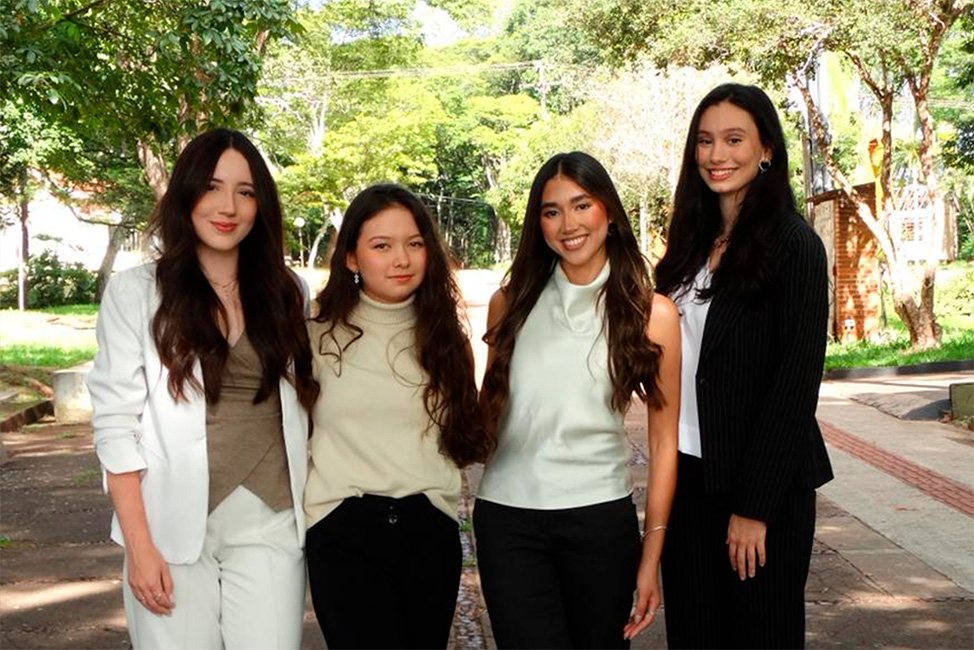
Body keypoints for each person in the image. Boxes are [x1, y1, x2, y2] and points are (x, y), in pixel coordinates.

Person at [87, 128, 319, 649]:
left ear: (261, 204)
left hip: (270, 518)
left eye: (245, 191)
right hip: (168, 522)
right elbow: (115, 425)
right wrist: (140, 547)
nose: (228, 206)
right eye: (212, 187)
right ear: (186, 193)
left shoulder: (288, 291)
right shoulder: (136, 292)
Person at [474, 152, 681, 649]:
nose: (568, 224)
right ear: (538, 223)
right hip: (508, 521)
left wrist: (651, 556)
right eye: (552, 211)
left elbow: (664, 443)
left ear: (609, 212)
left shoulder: (652, 314)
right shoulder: (509, 304)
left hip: (600, 522)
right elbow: (488, 418)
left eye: (581, 205)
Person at [654, 83, 834, 649]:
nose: (717, 155)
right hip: (687, 478)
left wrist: (754, 508)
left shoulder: (795, 245)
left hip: (762, 486)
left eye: (734, 140)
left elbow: (794, 386)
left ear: (766, 150)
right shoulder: (689, 243)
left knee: (762, 635)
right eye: (705, 141)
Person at [304, 184, 494, 649]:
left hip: (428, 528)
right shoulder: (313, 336)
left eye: (414, 244)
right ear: (352, 258)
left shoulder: (445, 338)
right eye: (382, 246)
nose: (401, 260)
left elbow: (462, 435)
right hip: (342, 527)